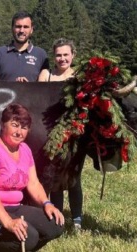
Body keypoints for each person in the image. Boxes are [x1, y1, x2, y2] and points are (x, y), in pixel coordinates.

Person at [0, 103, 64, 252]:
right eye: (14, 125)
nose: (19, 132)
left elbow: (33, 183)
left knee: (55, 226)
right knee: (29, 237)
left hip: (13, 207)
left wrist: (46, 203)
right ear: (2, 125)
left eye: (24, 128)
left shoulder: (25, 150)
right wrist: (9, 223)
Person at [38, 38, 83, 230]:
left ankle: (77, 219)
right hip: (50, 134)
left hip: (75, 134)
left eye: (66, 54)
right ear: (53, 56)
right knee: (54, 176)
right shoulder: (46, 75)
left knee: (73, 178)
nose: (62, 58)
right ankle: (58, 218)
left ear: (73, 55)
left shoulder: (80, 77)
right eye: (58, 55)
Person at [0, 11, 49, 82]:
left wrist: (28, 87)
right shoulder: (0, 52)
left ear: (31, 30)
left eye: (26, 27)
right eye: (18, 27)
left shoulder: (41, 54)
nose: (21, 30)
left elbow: (44, 86)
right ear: (12, 28)